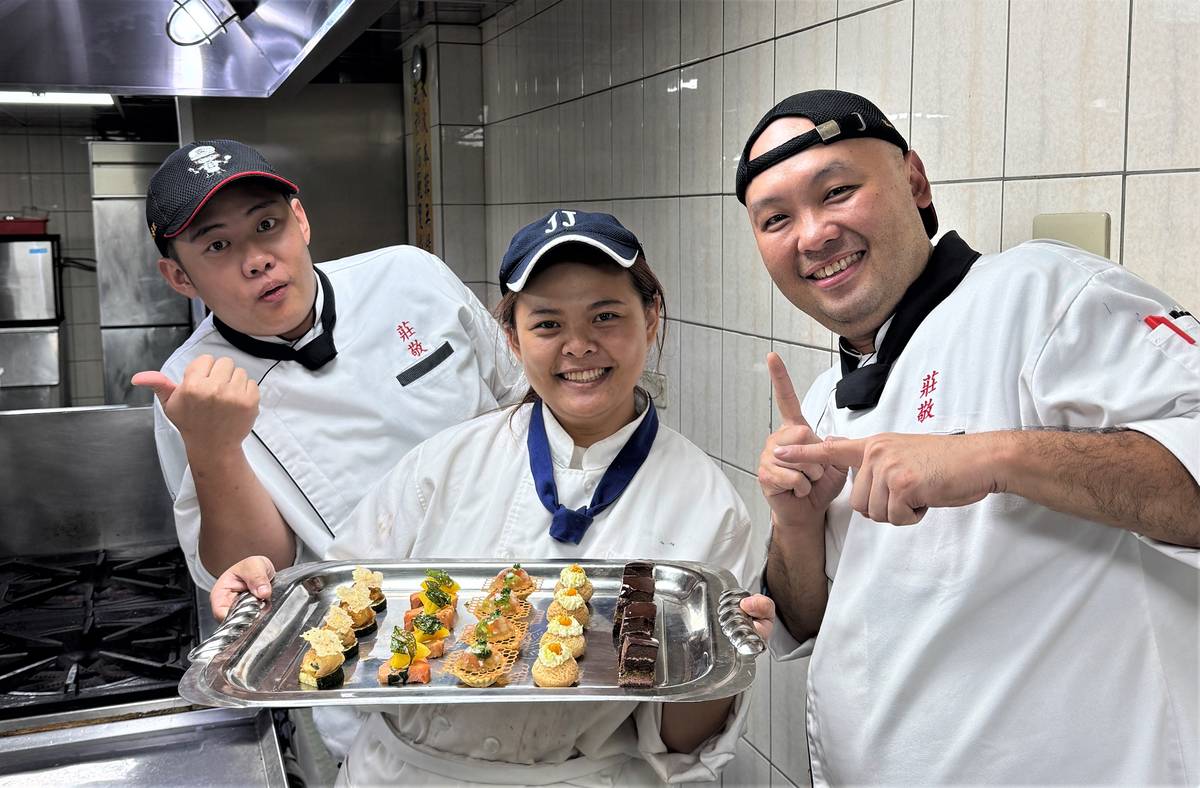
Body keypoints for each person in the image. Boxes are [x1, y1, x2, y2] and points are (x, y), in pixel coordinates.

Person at [735, 90, 1200, 784]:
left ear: (915, 182)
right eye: (776, 219)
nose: (811, 234)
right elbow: (807, 620)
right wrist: (795, 523)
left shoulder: (1040, 292)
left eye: (836, 191)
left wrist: (992, 456)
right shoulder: (827, 404)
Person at [212, 210, 765, 786]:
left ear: (651, 319)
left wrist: (725, 663)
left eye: (607, 316)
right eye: (547, 325)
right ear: (512, 338)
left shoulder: (708, 504)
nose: (579, 346)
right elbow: (340, 617)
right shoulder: (443, 465)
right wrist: (265, 602)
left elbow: (680, 741)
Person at [132, 140, 522, 765]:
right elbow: (250, 573)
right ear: (180, 276)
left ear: (301, 218)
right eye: (217, 246)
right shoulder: (191, 384)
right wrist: (214, 449)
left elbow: (523, 402)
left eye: (268, 225)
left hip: (521, 601)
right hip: (380, 678)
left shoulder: (410, 276)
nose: (258, 259)